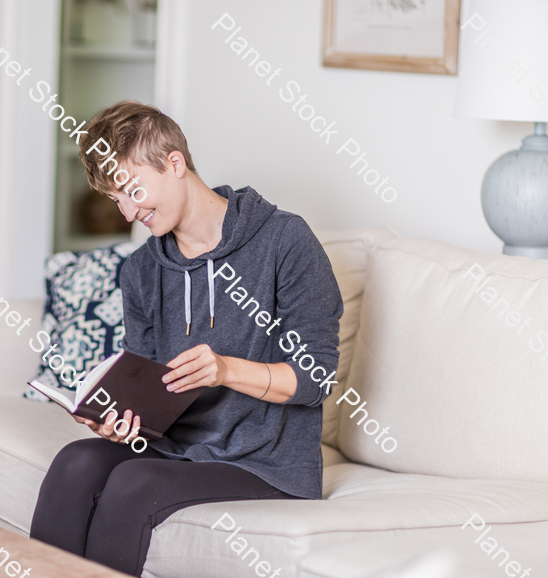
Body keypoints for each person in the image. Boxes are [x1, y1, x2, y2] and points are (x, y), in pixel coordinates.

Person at [29, 101, 343, 576]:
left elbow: (314, 378)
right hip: (175, 446)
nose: (130, 212)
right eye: (118, 200)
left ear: (174, 163)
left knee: (134, 483)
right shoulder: (141, 270)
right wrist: (122, 418)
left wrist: (225, 369)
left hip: (263, 461)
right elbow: (150, 383)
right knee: (74, 463)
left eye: (133, 190)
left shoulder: (284, 241)